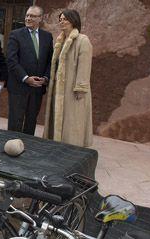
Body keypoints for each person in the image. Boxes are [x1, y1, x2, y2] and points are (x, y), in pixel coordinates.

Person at [43, 9, 93, 147]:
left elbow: (85, 66)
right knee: (59, 119)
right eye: (60, 19)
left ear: (73, 21)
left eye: (65, 19)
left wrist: (80, 88)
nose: (62, 21)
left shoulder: (82, 40)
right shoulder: (60, 41)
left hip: (73, 90)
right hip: (58, 90)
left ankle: (71, 149)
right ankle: (57, 146)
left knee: (72, 121)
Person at [6, 5, 53, 136]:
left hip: (37, 88)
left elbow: (51, 61)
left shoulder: (47, 37)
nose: (28, 18)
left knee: (31, 122)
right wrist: (26, 78)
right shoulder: (15, 35)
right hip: (18, 87)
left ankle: (27, 151)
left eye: (32, 16)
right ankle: (12, 149)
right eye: (27, 15)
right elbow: (11, 60)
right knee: (15, 123)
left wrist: (45, 78)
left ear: (40, 18)